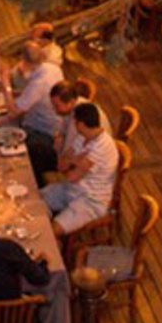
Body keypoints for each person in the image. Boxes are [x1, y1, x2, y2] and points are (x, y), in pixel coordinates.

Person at [40, 101, 118, 236]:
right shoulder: (82, 137)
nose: (73, 125)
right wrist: (73, 160)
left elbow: (71, 176)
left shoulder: (102, 147)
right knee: (36, 199)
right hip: (72, 188)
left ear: (81, 124)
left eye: (75, 122)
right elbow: (61, 166)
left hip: (91, 200)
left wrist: (71, 162)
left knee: (53, 230)